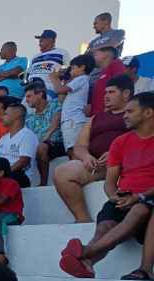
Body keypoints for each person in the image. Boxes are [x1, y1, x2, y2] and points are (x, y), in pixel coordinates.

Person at [60, 92, 154, 279]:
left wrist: (140, 197)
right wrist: (114, 196)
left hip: (147, 199)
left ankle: (87, 251)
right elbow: (110, 182)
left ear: (148, 113)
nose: (124, 115)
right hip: (125, 197)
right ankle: (87, 263)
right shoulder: (120, 142)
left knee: (139, 210)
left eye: (130, 111)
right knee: (104, 227)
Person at [53, 75, 133, 222]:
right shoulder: (96, 118)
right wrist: (86, 157)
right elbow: (80, 146)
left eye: (111, 92)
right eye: (105, 93)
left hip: (127, 164)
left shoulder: (136, 114)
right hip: (98, 165)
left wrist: (116, 153)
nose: (106, 96)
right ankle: (83, 219)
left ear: (126, 93)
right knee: (62, 173)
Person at [49, 54, 95, 153]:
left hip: (74, 121)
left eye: (73, 68)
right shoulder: (79, 80)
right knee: (71, 151)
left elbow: (59, 90)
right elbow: (62, 97)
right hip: (71, 121)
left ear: (82, 67)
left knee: (74, 151)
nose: (70, 71)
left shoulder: (81, 79)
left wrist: (53, 77)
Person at [23, 83, 63, 186]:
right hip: (40, 147)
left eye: (29, 96)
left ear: (40, 94)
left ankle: (43, 183)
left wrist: (47, 135)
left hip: (57, 143)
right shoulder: (29, 118)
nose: (26, 100)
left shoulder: (54, 104)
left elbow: (57, 117)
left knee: (41, 147)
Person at [0, 101, 39, 187]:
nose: (2, 117)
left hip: (20, 176)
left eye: (6, 114)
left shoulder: (27, 135)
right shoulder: (3, 138)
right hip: (4, 174)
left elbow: (23, 161)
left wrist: (3, 174)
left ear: (17, 116)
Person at [27, 30, 70, 99]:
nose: (39, 44)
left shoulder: (62, 53)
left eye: (41, 41)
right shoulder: (35, 56)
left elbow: (67, 69)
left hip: (48, 89)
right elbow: (28, 73)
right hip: (30, 90)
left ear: (51, 40)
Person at [89, 45, 126, 117]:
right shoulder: (102, 72)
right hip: (97, 116)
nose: (93, 57)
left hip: (109, 116)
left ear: (106, 55)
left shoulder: (116, 64)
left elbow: (120, 85)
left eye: (96, 54)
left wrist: (110, 109)